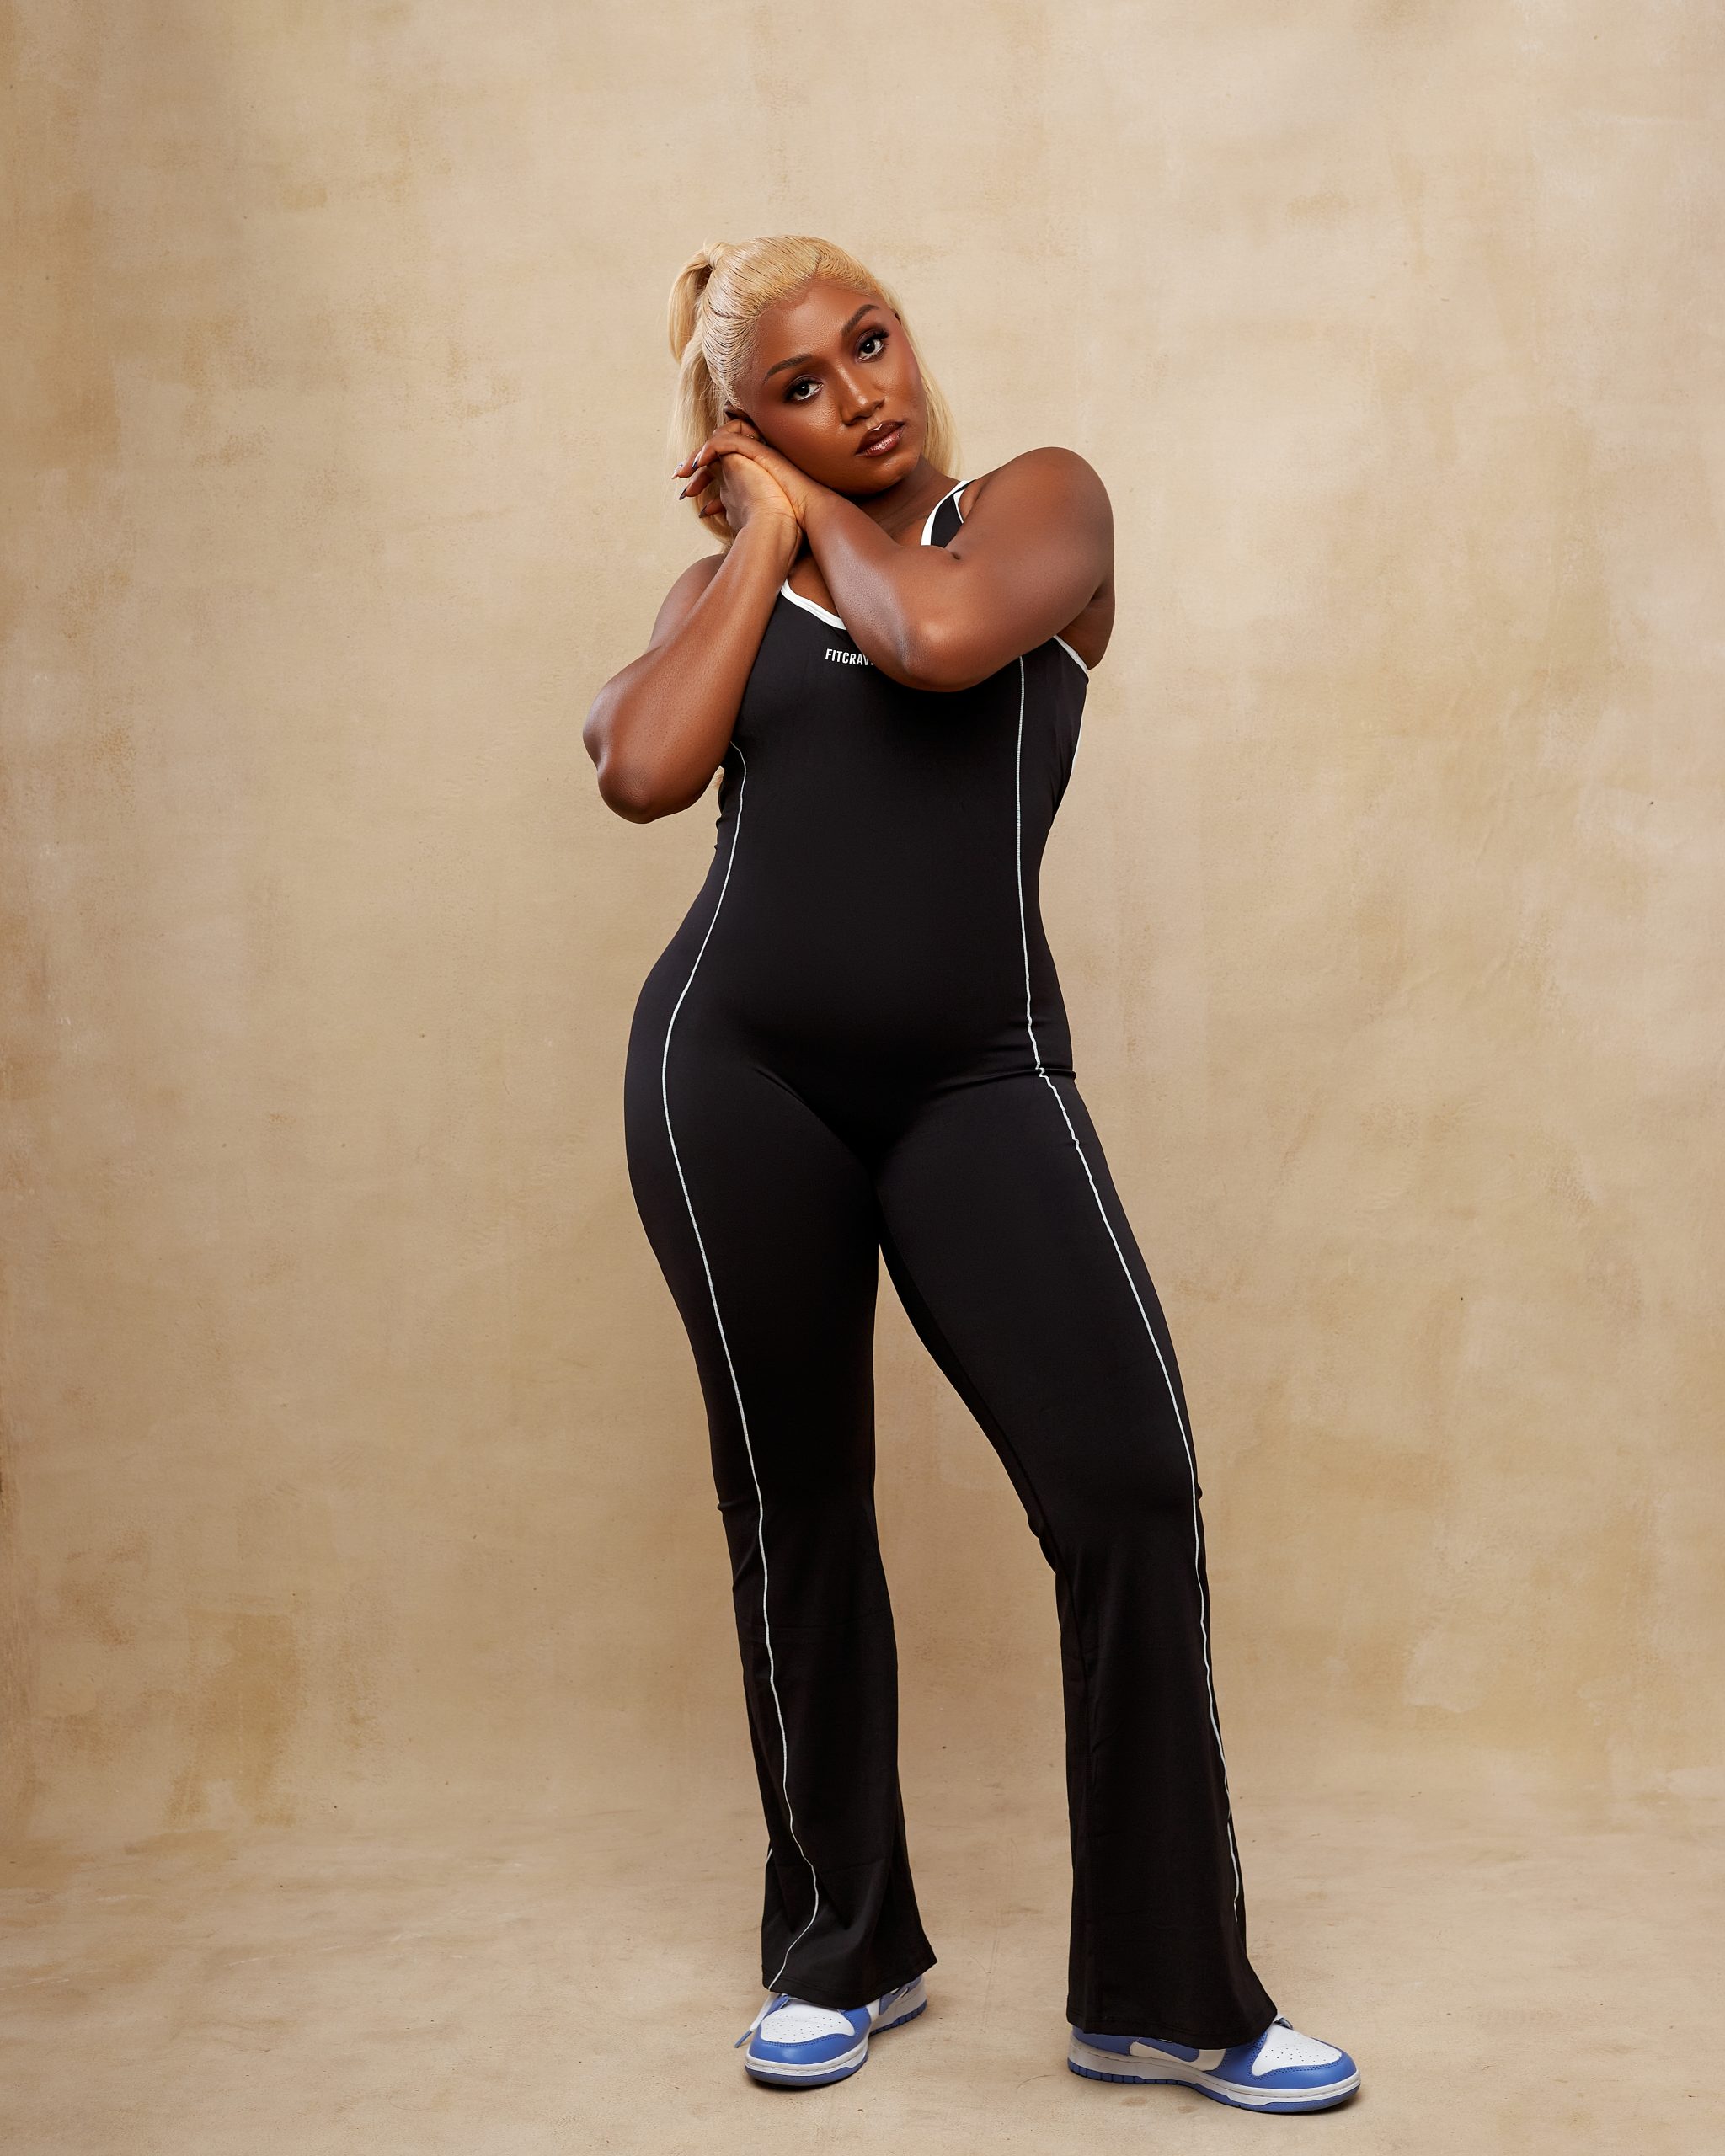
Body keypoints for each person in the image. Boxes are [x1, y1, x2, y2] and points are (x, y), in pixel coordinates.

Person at [582, 233, 1359, 2115]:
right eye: (798, 387)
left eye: (870, 341)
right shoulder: (733, 579)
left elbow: (936, 642)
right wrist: (755, 545)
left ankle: (1168, 1994)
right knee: (798, 1502)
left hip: (978, 1080)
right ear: (743, 429)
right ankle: (839, 1947)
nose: (861, 391)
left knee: (1127, 1484)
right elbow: (639, 767)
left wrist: (808, 512)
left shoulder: (1034, 509)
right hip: (733, 1079)